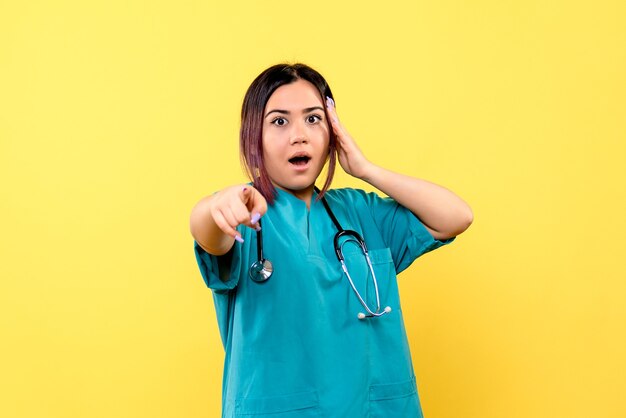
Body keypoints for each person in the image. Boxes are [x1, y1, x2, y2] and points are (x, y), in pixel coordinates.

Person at [189, 63, 473, 418]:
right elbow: (208, 232)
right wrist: (217, 206)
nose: (299, 135)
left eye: (313, 119)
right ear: (253, 136)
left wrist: (367, 169)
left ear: (333, 132)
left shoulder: (361, 212)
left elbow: (456, 217)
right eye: (279, 121)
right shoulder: (245, 214)